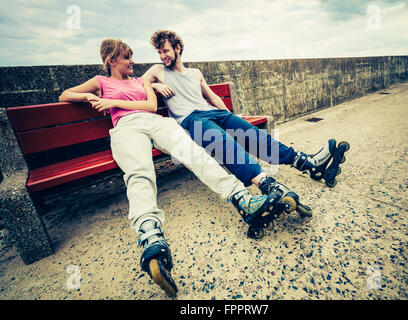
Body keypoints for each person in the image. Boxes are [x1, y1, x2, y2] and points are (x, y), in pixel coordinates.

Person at [58, 39, 287, 297]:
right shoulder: (100, 82)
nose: (132, 61)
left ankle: (242, 198)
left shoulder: (140, 82)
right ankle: (150, 236)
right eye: (126, 57)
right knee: (139, 173)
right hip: (126, 128)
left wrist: (112, 103)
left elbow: (150, 106)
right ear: (111, 60)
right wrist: (89, 95)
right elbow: (64, 95)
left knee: (194, 154)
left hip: (157, 123)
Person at [143, 30, 349, 217]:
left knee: (254, 135)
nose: (163, 56)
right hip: (192, 120)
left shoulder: (195, 73)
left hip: (214, 113)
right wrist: (155, 85)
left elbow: (213, 97)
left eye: (166, 51)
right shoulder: (158, 71)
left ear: (178, 48)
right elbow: (136, 84)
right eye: (160, 52)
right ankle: (267, 184)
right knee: (223, 142)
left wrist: (231, 117)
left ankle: (307, 163)